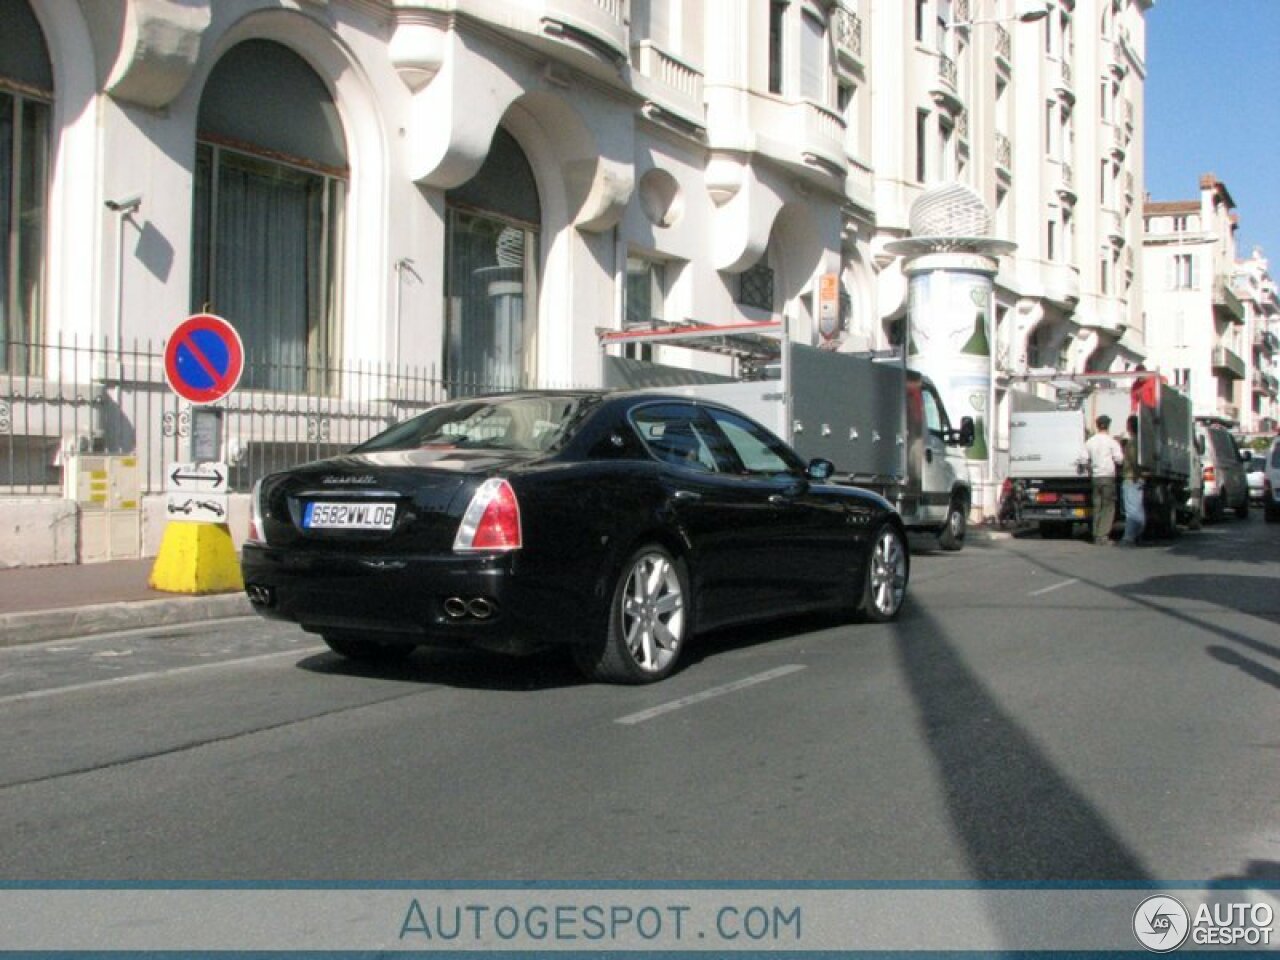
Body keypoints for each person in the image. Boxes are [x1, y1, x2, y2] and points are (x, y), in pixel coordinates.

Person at [1080, 414, 1123, 545]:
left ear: (1097, 426)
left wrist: (1091, 468)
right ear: (1108, 426)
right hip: (1108, 477)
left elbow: (1083, 459)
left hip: (1095, 477)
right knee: (1108, 507)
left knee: (1097, 506)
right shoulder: (1112, 442)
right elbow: (1119, 460)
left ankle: (1095, 534)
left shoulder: (1090, 442)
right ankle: (1102, 536)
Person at [1120, 414, 1145, 546]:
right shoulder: (1141, 442)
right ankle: (1138, 533)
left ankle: (1129, 538)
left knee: (1131, 510)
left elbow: (1134, 460)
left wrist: (1135, 474)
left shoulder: (1133, 443)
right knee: (1138, 508)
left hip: (1131, 478)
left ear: (1129, 426)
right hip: (1137, 478)